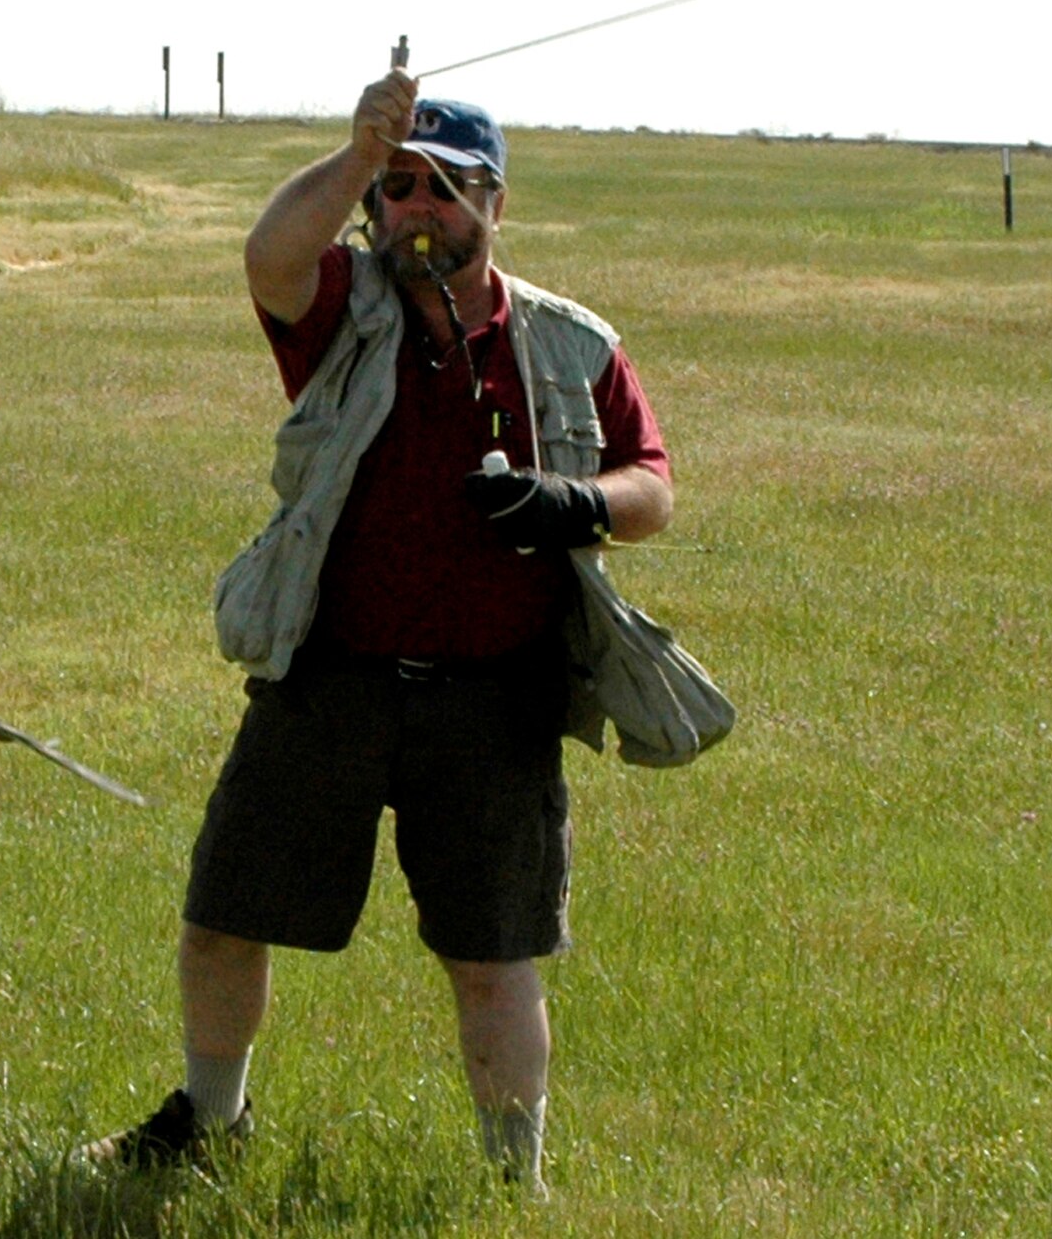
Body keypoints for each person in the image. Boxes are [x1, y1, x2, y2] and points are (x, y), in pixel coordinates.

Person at [78, 71, 675, 1193]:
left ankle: (516, 1185)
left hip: (494, 700)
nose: (418, 210)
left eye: (446, 191)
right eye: (399, 188)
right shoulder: (340, 306)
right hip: (328, 675)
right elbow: (266, 255)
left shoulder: (567, 343)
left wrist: (572, 503)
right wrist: (356, 151)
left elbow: (651, 481)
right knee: (220, 920)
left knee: (492, 961)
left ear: (496, 205)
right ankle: (210, 1126)